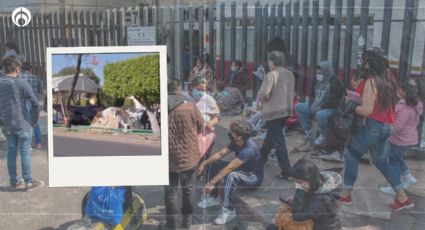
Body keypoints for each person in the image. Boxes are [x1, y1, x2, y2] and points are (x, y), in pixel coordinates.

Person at [339, 48, 414, 211]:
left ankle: (345, 195)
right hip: (387, 127)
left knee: (351, 154)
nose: (363, 64)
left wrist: (352, 106)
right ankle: (403, 198)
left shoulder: (372, 82)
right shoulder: (389, 80)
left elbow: (366, 110)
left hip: (373, 126)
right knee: (381, 161)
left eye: (365, 61)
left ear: (370, 63)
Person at [196, 120, 264, 225]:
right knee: (214, 163)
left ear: (239, 135)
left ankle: (229, 210)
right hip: (241, 169)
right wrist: (204, 163)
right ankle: (213, 198)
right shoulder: (236, 142)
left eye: (232, 132)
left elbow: (230, 168)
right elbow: (220, 154)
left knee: (232, 175)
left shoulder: (249, 149)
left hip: (253, 177)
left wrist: (211, 183)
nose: (230, 133)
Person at [162, 79, 204, 230]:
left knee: (171, 194)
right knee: (188, 190)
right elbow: (201, 127)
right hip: (188, 158)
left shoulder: (159, 109)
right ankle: (187, 224)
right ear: (180, 90)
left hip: (168, 161)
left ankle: (171, 226)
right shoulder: (190, 108)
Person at [0, 57, 43, 191]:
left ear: (3, 69)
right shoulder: (21, 83)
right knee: (24, 153)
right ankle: (28, 183)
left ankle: (14, 182)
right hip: (23, 124)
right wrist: (34, 121)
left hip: (7, 125)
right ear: (18, 69)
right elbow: (35, 103)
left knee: (11, 153)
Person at [267, 159, 342, 230]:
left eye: (299, 182)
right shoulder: (319, 180)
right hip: (314, 223)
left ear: (308, 179)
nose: (297, 185)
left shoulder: (322, 199)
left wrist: (300, 191)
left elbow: (297, 216)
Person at [380, 78, 424, 196]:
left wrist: (385, 131)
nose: (397, 91)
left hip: (401, 140)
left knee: (393, 161)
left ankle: (395, 187)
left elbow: (397, 126)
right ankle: (408, 176)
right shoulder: (414, 105)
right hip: (407, 139)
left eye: (399, 89)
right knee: (397, 158)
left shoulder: (404, 107)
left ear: (404, 92)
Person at [257, 51, 294, 179]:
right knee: (272, 135)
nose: (268, 64)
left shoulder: (271, 75)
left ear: (272, 62)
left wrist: (260, 100)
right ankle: (261, 157)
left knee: (278, 141)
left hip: (273, 112)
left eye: (269, 61)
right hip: (285, 111)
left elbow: (264, 94)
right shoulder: (289, 74)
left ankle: (287, 170)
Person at [295, 61, 345, 145]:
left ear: (326, 71)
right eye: (317, 73)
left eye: (320, 73)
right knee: (299, 107)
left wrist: (321, 107)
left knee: (320, 115)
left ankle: (323, 135)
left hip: (330, 109)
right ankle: (308, 130)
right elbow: (312, 96)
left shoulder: (335, 82)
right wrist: (311, 105)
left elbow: (335, 101)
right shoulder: (317, 81)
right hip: (316, 107)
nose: (318, 75)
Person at [19, 62, 45, 149]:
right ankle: (38, 143)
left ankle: (28, 145)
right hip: (34, 102)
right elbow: (41, 90)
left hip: (24, 103)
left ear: (21, 69)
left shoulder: (19, 78)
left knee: (25, 124)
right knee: (35, 123)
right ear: (30, 69)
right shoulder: (36, 77)